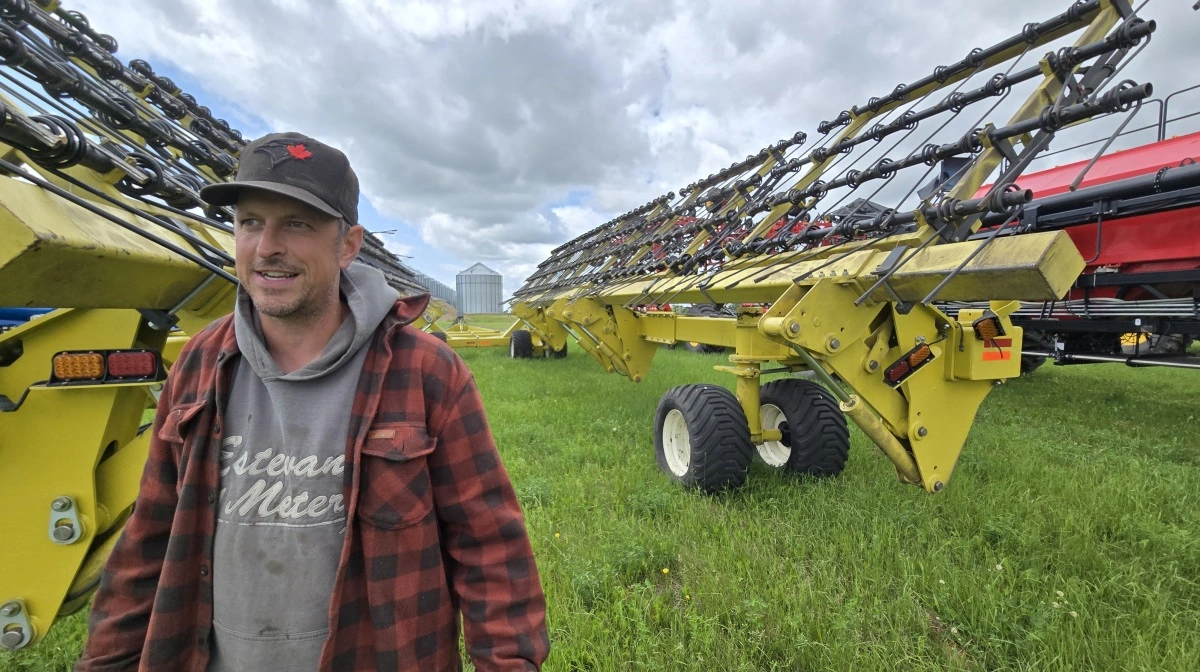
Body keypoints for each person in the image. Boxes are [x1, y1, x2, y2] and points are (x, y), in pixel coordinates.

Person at [76, 132, 550, 671]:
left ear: (347, 245)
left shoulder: (425, 373)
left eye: (297, 224)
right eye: (250, 222)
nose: (266, 246)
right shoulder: (200, 363)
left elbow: (490, 546)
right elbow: (151, 534)